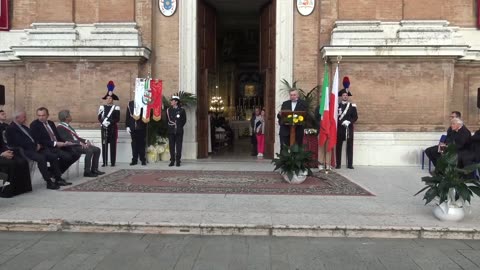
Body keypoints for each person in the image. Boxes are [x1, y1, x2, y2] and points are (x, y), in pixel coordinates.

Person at [6, 110, 67, 189]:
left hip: (34, 148)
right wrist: (35, 146)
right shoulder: (11, 128)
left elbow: (33, 137)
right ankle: (48, 182)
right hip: (23, 150)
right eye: (24, 117)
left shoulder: (24, 126)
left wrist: (38, 144)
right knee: (41, 158)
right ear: (17, 118)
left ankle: (58, 178)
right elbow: (21, 142)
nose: (26, 118)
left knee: (53, 156)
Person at [30, 107, 80, 180]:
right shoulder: (34, 125)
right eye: (39, 115)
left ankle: (52, 172)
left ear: (47, 115)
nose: (41, 117)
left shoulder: (51, 123)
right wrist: (55, 143)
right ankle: (57, 175)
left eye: (43, 115)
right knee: (66, 156)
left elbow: (57, 136)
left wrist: (64, 142)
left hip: (58, 145)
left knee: (76, 154)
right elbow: (40, 140)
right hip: (47, 147)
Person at [57, 110, 105, 177]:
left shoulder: (67, 126)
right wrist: (79, 142)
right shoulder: (60, 127)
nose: (71, 116)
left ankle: (94, 169)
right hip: (72, 147)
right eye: (70, 115)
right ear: (66, 117)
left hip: (77, 144)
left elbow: (77, 137)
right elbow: (66, 140)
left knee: (97, 149)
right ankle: (87, 172)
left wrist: (86, 141)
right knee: (89, 150)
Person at [0, 110, 32, 197]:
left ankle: (21, 189)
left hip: (3, 152)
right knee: (10, 163)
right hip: (1, 155)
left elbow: (3, 143)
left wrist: (6, 151)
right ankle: (4, 191)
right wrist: (2, 154)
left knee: (22, 161)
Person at [98, 81, 120, 167]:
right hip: (104, 128)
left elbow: (117, 118)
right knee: (104, 144)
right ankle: (104, 162)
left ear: (112, 99)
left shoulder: (116, 108)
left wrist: (110, 122)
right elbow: (99, 117)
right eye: (107, 98)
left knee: (113, 146)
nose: (109, 99)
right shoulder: (102, 107)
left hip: (113, 128)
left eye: (110, 98)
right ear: (106, 99)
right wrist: (104, 123)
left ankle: (112, 162)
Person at [336, 88, 358, 169]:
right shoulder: (337, 106)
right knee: (338, 146)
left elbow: (355, 117)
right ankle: (338, 164)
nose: (345, 96)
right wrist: (341, 122)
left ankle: (350, 164)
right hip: (340, 128)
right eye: (343, 95)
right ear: (341, 96)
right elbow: (335, 117)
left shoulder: (352, 106)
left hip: (349, 128)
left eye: (346, 95)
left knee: (350, 146)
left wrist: (349, 122)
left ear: (348, 97)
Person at [167, 95, 187, 167]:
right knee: (171, 146)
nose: (171, 102)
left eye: (172, 100)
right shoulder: (168, 110)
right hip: (171, 130)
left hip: (179, 130)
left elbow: (184, 120)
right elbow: (167, 120)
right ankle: (172, 160)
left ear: (176, 102)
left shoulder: (182, 110)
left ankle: (178, 160)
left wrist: (178, 126)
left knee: (179, 146)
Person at [126, 100, 147, 166]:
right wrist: (127, 126)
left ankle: (143, 159)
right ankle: (134, 160)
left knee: (141, 144)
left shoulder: (143, 102)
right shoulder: (130, 103)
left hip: (141, 127)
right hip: (133, 127)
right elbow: (128, 116)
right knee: (134, 144)